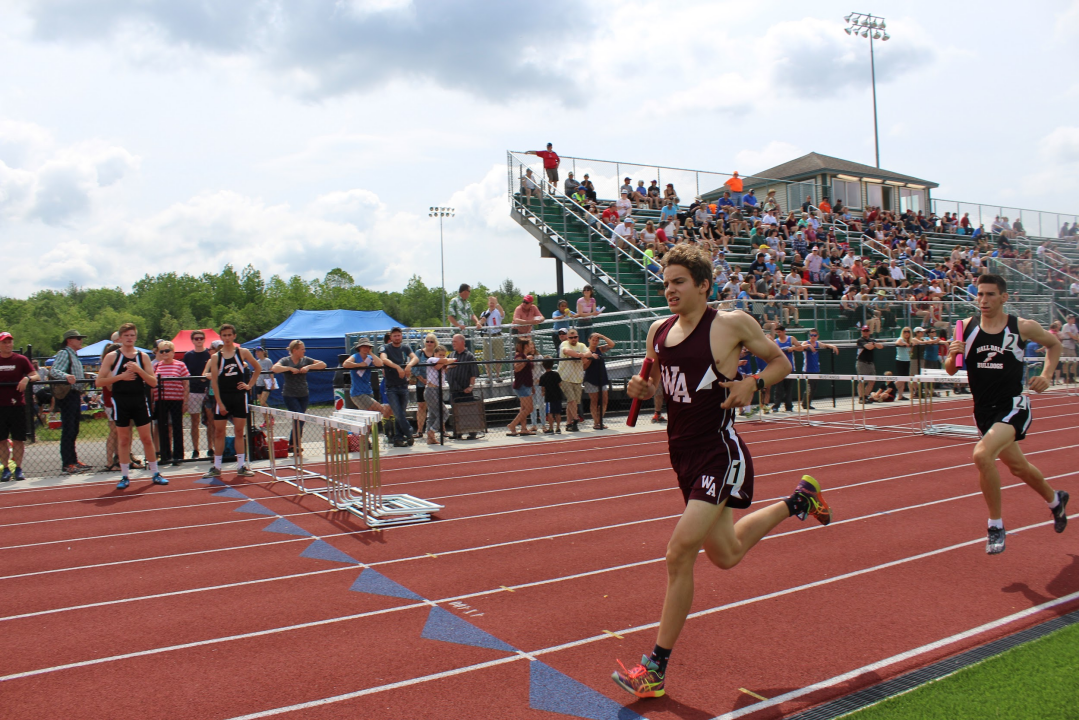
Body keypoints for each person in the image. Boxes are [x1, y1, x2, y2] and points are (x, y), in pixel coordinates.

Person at [612, 244, 831, 699]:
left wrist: (753, 382)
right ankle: (799, 501)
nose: (668, 289)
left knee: (679, 553)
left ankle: (655, 668)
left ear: (703, 286)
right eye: (666, 282)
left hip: (719, 451)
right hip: (681, 454)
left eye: (678, 282)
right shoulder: (659, 330)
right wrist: (640, 386)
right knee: (726, 553)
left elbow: (781, 362)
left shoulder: (730, 324)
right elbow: (654, 386)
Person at [945, 274, 1068, 554]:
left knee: (981, 455)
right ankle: (1055, 500)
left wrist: (1047, 375)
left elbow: (1055, 345)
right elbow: (951, 369)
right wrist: (952, 355)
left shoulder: (1022, 327)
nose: (983, 300)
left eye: (990, 294)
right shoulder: (965, 328)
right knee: (1018, 468)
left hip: (1013, 406)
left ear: (1004, 297)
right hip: (983, 412)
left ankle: (995, 525)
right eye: (979, 295)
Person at [96, 323, 167, 489]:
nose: (129, 338)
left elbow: (153, 382)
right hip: (120, 401)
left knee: (146, 438)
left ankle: (155, 473)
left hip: (139, 400)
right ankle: (124, 476)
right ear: (120, 338)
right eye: (126, 335)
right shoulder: (112, 357)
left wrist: (138, 371)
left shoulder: (142, 356)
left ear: (136, 337)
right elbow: (99, 381)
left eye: (132, 335)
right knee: (124, 439)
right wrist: (120, 376)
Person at [204, 324, 261, 477]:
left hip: (239, 397)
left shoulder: (242, 352)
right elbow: (214, 382)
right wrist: (220, 403)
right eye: (224, 335)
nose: (227, 338)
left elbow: (258, 368)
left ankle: (241, 466)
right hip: (223, 397)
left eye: (230, 335)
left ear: (234, 336)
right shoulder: (216, 357)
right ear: (221, 337)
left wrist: (249, 385)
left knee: (238, 431)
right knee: (219, 432)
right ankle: (216, 467)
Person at [49, 329, 91, 474]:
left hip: (75, 394)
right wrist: (66, 376)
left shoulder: (73, 355)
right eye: (78, 338)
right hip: (68, 394)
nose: (81, 341)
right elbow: (54, 371)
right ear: (69, 340)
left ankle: (73, 459)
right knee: (68, 429)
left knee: (74, 428)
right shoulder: (64, 353)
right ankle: (67, 463)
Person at [272, 340, 326, 454]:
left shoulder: (305, 360)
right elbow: (275, 368)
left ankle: (294, 444)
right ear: (295, 350)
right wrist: (289, 369)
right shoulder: (286, 360)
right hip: (290, 394)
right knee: (298, 417)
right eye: (302, 349)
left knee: (300, 419)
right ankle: (294, 444)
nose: (304, 351)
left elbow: (323, 364)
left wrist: (309, 367)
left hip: (303, 394)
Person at [0, 332, 39, 482]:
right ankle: (6, 469)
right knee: (2, 439)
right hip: (0, 406)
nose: (8, 345)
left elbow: (36, 375)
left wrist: (27, 378)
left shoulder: (21, 360)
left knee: (18, 439)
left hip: (16, 405)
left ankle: (18, 468)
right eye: (4, 342)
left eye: (10, 342)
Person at [152, 340, 190, 467]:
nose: (164, 353)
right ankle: (165, 455)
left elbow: (186, 383)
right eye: (161, 351)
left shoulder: (180, 365)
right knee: (162, 428)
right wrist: (152, 400)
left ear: (173, 352)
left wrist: (185, 401)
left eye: (167, 351)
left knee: (177, 427)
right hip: (160, 400)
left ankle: (178, 456)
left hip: (176, 399)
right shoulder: (156, 366)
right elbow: (152, 384)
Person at [379, 327, 418, 447]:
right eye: (394, 336)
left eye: (399, 335)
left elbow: (415, 357)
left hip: (403, 386)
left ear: (401, 336)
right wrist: (397, 367)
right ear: (390, 337)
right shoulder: (385, 347)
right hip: (391, 387)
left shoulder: (405, 347)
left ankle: (398, 438)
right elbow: (383, 359)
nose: (397, 338)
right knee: (398, 413)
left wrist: (408, 366)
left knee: (401, 413)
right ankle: (409, 432)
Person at [182, 331, 214, 459]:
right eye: (196, 338)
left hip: (208, 391)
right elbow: (186, 374)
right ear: (192, 340)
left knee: (210, 421)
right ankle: (196, 449)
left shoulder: (209, 354)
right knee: (194, 421)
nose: (199, 340)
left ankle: (210, 447)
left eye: (201, 338)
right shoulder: (188, 355)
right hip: (194, 391)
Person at [343, 338, 389, 418]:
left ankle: (369, 430)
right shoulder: (355, 356)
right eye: (363, 346)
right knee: (380, 409)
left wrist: (371, 353)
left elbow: (379, 364)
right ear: (359, 348)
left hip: (368, 391)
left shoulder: (370, 358)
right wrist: (360, 364)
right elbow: (345, 364)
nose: (365, 348)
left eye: (367, 346)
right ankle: (387, 426)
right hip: (358, 393)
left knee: (368, 417)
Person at [446, 334, 480, 440]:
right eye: (452, 342)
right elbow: (444, 367)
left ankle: (472, 431)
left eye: (455, 342)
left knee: (468, 410)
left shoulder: (469, 356)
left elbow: (473, 373)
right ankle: (457, 432)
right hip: (453, 389)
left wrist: (470, 386)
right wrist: (449, 366)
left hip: (465, 389)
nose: (453, 344)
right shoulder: (451, 355)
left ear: (462, 343)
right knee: (455, 411)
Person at [794, 329, 838, 410]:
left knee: (814, 388)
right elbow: (799, 347)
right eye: (811, 335)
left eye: (814, 335)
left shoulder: (818, 343)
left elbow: (824, 345)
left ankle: (808, 403)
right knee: (809, 388)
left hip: (816, 369)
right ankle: (805, 403)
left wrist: (832, 346)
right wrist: (808, 346)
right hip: (808, 369)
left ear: (817, 336)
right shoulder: (806, 342)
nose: (813, 337)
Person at [422, 344, 455, 444]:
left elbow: (451, 363)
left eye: (443, 355)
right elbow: (441, 364)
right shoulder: (431, 359)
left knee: (432, 415)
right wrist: (446, 361)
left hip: (438, 390)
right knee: (444, 412)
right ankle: (432, 431)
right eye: (439, 355)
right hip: (431, 390)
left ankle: (430, 438)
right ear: (435, 353)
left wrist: (446, 362)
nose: (442, 357)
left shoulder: (441, 362)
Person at [558, 328, 588, 432]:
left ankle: (568, 423)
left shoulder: (582, 345)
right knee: (572, 400)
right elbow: (567, 351)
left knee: (574, 402)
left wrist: (583, 355)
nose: (573, 339)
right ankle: (576, 418)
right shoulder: (564, 344)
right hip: (565, 377)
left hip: (577, 378)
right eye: (571, 337)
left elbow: (589, 353)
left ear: (578, 337)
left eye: (575, 337)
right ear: (567, 338)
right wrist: (580, 355)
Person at [582, 332, 614, 430]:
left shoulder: (600, 349)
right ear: (589, 340)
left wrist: (602, 336)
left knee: (604, 400)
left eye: (596, 340)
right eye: (593, 340)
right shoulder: (586, 351)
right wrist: (591, 358)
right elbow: (584, 366)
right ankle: (596, 422)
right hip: (591, 379)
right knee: (594, 401)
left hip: (602, 377)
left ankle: (600, 420)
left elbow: (611, 345)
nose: (595, 342)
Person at [508, 338, 536, 436]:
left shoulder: (525, 356)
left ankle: (524, 428)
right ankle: (512, 424)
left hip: (527, 384)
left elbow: (528, 372)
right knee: (529, 408)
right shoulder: (520, 356)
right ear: (525, 346)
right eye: (529, 345)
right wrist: (526, 360)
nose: (531, 347)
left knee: (523, 408)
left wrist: (532, 386)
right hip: (522, 385)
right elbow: (517, 368)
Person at [477, 295, 506, 382]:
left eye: (493, 303)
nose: (492, 304)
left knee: (498, 357)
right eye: (491, 302)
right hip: (487, 336)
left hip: (497, 335)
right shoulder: (484, 314)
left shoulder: (498, 312)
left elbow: (502, 313)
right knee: (487, 358)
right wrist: (481, 322)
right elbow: (479, 325)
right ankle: (489, 377)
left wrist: (497, 304)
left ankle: (497, 376)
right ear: (488, 304)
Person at [770, 325, 796, 412]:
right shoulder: (775, 341)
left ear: (784, 331)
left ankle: (788, 406)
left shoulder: (791, 339)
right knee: (779, 389)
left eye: (779, 332)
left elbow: (800, 347)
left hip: (790, 368)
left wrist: (792, 348)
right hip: (780, 368)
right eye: (777, 332)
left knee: (789, 389)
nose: (778, 334)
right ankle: (776, 406)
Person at [856, 325, 884, 403]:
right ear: (862, 331)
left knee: (872, 381)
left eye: (867, 331)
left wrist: (873, 343)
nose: (865, 332)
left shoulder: (872, 339)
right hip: (862, 363)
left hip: (870, 363)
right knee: (862, 381)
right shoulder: (860, 340)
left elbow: (880, 346)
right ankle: (861, 398)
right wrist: (873, 344)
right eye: (864, 331)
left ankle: (865, 396)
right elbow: (868, 347)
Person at [539, 358, 563, 433]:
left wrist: (543, 392)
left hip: (549, 397)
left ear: (543, 366)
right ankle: (558, 428)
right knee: (558, 413)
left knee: (550, 413)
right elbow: (560, 384)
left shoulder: (543, 377)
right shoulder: (556, 374)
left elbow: (543, 388)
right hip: (557, 395)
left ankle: (551, 428)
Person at [894, 327, 913, 401]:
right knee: (902, 378)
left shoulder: (910, 341)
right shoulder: (900, 339)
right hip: (900, 360)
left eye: (908, 331)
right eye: (905, 331)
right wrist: (905, 344)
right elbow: (897, 343)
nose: (906, 333)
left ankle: (900, 395)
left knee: (904, 379)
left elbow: (910, 351)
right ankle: (890, 388)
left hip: (907, 360)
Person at [1061, 314, 1078, 384]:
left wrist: (1077, 338)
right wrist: (1077, 339)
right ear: (1068, 319)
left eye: (1074, 318)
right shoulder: (1066, 326)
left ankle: (1071, 377)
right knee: (1066, 362)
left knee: (1075, 362)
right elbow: (1071, 335)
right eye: (1072, 318)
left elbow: (1077, 334)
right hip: (1066, 346)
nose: (1073, 320)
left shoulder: (1074, 326)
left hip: (1072, 346)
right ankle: (1065, 378)